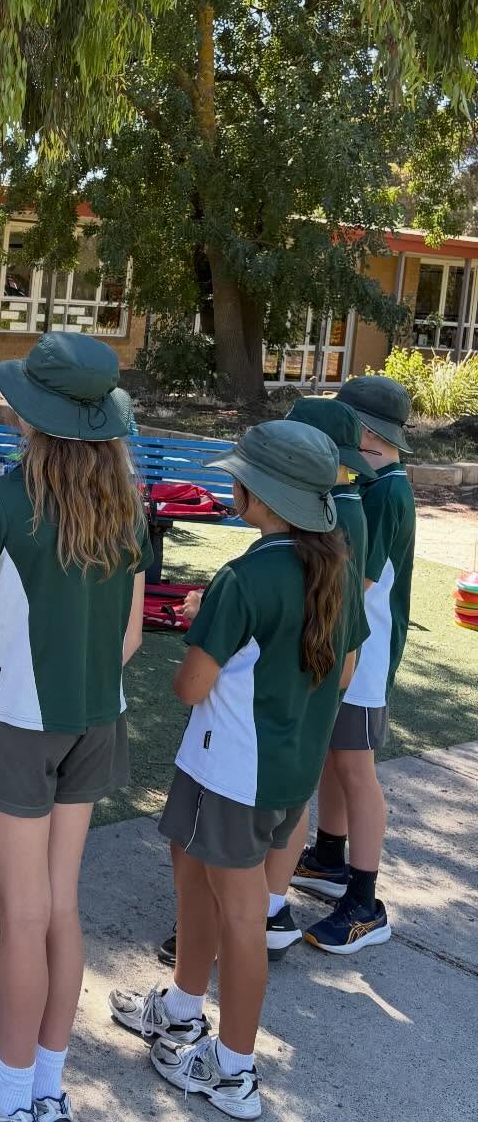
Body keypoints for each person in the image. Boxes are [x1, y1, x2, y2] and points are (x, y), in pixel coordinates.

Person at [0, 335, 148, 1122]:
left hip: (17, 721)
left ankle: (9, 1097)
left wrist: (1, 652)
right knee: (59, 907)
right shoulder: (127, 506)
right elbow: (128, 641)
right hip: (96, 718)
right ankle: (43, 1087)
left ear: (32, 418)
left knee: (21, 916)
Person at [109, 421, 362, 1122]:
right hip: (284, 770)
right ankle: (184, 1012)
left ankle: (234, 1067)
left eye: (240, 476)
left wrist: (204, 625)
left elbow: (190, 687)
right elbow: (342, 667)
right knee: (191, 873)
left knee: (243, 914)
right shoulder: (335, 564)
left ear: (264, 494)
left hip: (228, 769)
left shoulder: (244, 577)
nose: (231, 483)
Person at [295, 375, 415, 954]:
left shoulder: (388, 491)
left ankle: (366, 901)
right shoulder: (374, 482)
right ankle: (328, 855)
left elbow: (360, 578)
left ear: (365, 433)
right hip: (347, 643)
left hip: (363, 654)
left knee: (356, 769)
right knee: (336, 757)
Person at [255, 396, 373, 953]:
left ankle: (267, 906)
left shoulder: (339, 512)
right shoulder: (339, 502)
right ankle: (267, 904)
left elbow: (343, 614)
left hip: (305, 675)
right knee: (291, 797)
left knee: (276, 802)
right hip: (317, 671)